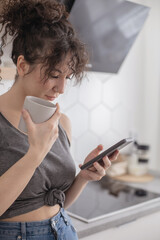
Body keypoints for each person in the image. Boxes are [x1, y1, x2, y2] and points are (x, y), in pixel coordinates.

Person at [0, 0, 119, 239]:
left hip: (63, 230)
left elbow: (58, 202)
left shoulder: (61, 122)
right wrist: (35, 154)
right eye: (54, 75)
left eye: (67, 77)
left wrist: (83, 178)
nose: (62, 88)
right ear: (22, 65)